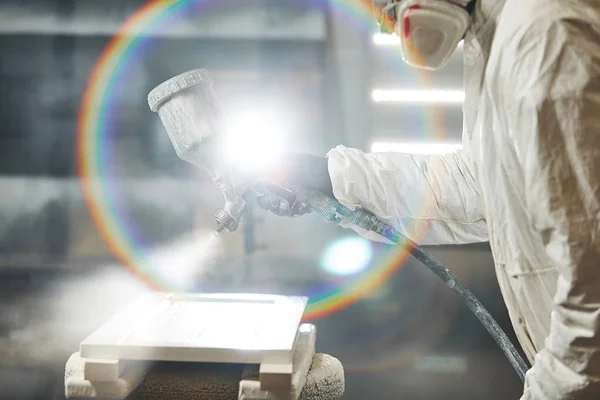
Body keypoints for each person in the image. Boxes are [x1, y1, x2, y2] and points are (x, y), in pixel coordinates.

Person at [241, 0, 600, 398]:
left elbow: (593, 286)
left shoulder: (543, 39)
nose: (383, 21)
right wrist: (328, 176)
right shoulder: (500, 36)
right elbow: (481, 183)